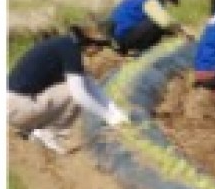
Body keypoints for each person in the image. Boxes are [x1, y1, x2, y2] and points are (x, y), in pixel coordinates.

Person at [8, 24, 131, 152]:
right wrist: (109, 117)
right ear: (92, 43)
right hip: (18, 108)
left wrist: (117, 114)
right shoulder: (71, 50)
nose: (100, 52)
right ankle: (49, 133)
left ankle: (36, 130)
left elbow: (92, 86)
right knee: (76, 92)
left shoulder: (64, 44)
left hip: (14, 107)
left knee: (82, 84)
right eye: (101, 46)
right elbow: (80, 95)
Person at [106, 0, 192, 54]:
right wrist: (183, 32)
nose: (166, 1)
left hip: (116, 34)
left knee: (162, 26)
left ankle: (142, 51)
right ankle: (143, 54)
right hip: (123, 37)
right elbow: (165, 22)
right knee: (157, 23)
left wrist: (173, 32)